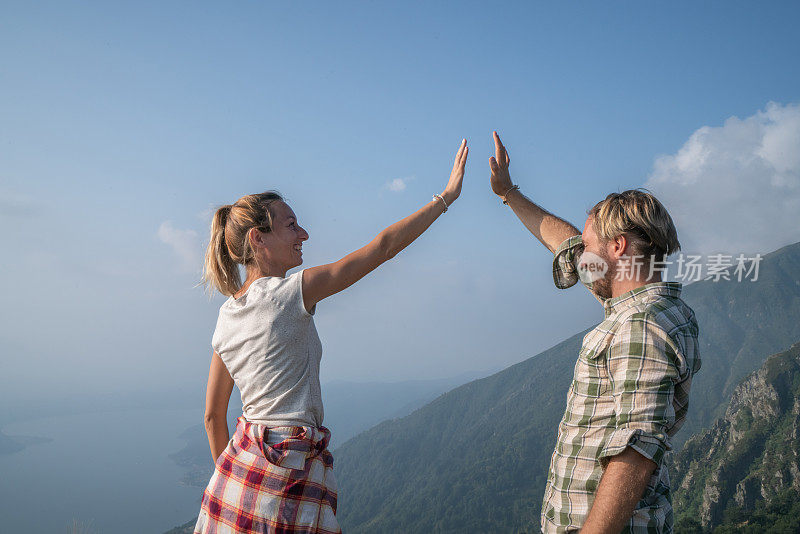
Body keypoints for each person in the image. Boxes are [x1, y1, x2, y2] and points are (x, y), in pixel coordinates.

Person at [192, 139, 468, 534]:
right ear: (258, 239)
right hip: (292, 465)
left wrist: (230, 486)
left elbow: (211, 416)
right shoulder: (290, 293)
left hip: (238, 474)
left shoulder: (226, 317)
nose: (303, 233)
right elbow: (383, 248)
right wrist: (446, 198)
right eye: (291, 226)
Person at [487, 132, 701, 533]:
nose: (581, 255)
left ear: (618, 248)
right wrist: (508, 193)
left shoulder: (642, 327)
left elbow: (637, 453)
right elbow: (566, 244)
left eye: (590, 246)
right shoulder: (656, 309)